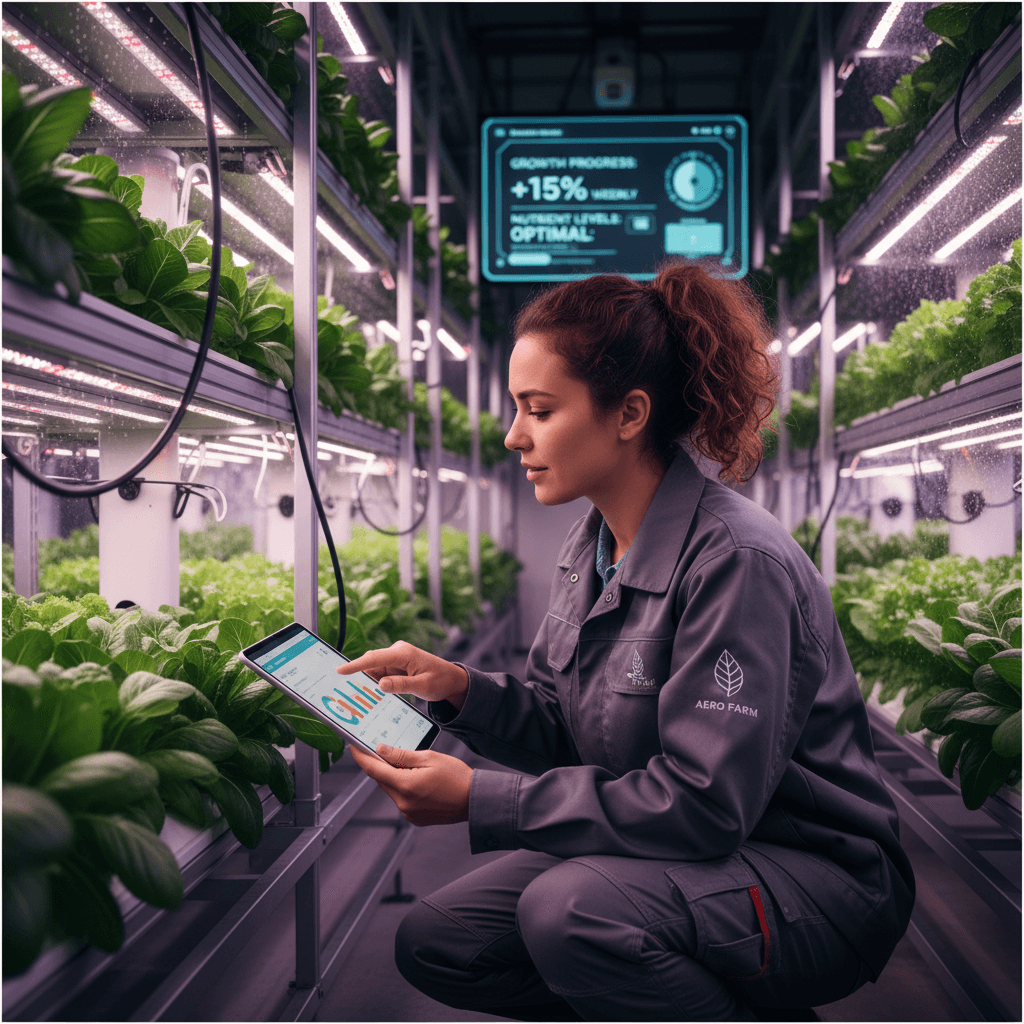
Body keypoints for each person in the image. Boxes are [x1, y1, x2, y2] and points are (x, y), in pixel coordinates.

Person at [342, 262, 915, 1022]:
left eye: (540, 410)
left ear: (629, 413)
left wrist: (481, 799)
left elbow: (704, 805)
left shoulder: (736, 561)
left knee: (571, 911)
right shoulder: (591, 546)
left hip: (813, 873)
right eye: (516, 410)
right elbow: (564, 725)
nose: (514, 436)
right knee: (441, 940)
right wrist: (459, 689)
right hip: (684, 856)